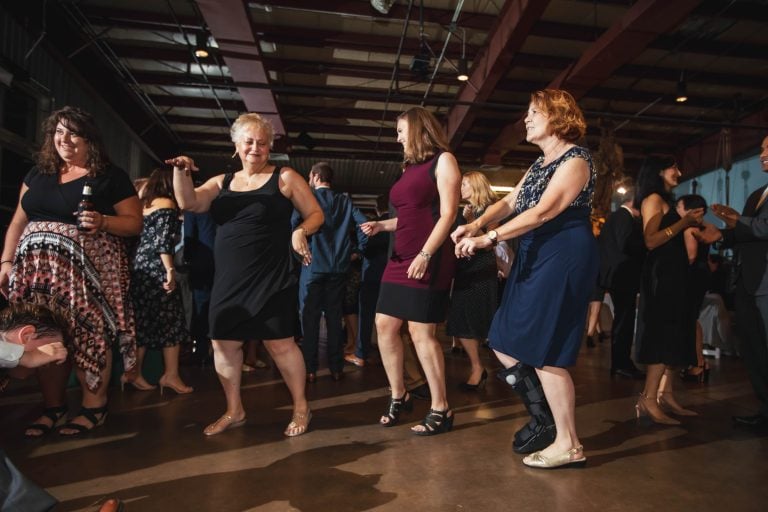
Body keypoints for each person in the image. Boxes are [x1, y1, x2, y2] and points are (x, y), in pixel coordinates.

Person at [453, 89, 596, 468]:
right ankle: (544, 416)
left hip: (561, 255)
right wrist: (476, 223)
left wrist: (490, 238)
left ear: (558, 116)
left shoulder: (576, 160)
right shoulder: (539, 163)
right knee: (501, 336)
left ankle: (569, 443)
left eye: (534, 112)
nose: (526, 119)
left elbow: (544, 212)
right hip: (533, 255)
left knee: (546, 350)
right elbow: (512, 202)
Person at [168, 112, 323, 437]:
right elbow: (189, 202)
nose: (256, 148)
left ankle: (300, 406)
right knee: (223, 344)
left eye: (263, 143)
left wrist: (301, 232)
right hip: (229, 278)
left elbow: (315, 213)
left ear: (270, 147)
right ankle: (234, 409)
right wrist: (181, 172)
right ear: (236, 145)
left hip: (272, 275)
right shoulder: (221, 183)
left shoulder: (284, 177)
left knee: (280, 344)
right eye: (249, 142)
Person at [0, 106, 141, 437]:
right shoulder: (38, 174)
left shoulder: (109, 176)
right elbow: (18, 222)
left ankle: (95, 407)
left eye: (73, 132)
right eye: (58, 132)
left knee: (88, 335)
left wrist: (104, 221)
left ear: (90, 138)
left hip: (87, 276)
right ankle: (54, 407)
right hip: (36, 276)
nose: (65, 139)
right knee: (43, 337)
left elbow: (135, 223)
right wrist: (6, 262)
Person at [360, 106, 460, 436]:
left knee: (421, 332)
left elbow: (447, 215)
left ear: (418, 130)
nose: (398, 136)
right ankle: (399, 393)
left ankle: (441, 407)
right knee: (384, 325)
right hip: (400, 258)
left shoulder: (443, 161)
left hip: (428, 257)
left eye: (401, 130)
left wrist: (426, 254)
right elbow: (410, 215)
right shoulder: (409, 167)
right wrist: (382, 225)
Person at [632, 156, 711, 425]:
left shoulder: (663, 199)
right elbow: (651, 240)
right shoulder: (652, 199)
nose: (679, 171)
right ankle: (648, 398)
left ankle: (665, 395)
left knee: (672, 334)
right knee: (660, 336)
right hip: (660, 277)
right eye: (673, 167)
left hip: (672, 276)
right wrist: (683, 223)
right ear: (658, 170)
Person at [712, 134, 768, 428]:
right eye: (761, 149)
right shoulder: (757, 194)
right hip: (747, 283)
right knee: (754, 350)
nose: (762, 154)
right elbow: (745, 232)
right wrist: (720, 235)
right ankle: (764, 410)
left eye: (767, 149)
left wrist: (738, 221)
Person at [295, 162, 367, 382]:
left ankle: (310, 369)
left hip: (312, 266)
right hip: (338, 268)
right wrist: (356, 252)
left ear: (316, 177)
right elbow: (364, 225)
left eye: (309, 176)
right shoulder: (344, 201)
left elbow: (294, 228)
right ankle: (336, 368)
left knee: (309, 319)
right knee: (335, 319)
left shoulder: (308, 199)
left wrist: (300, 254)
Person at [128, 168, 193, 394]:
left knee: (143, 322)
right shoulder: (167, 204)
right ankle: (171, 375)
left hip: (138, 266)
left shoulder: (144, 206)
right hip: (157, 267)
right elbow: (163, 242)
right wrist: (169, 270)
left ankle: (132, 372)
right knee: (171, 320)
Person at [446, 171, 498, 391]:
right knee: (461, 321)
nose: (461, 188)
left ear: (476, 185)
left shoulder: (489, 210)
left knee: (479, 322)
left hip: (481, 270)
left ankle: (482, 369)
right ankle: (478, 368)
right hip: (465, 270)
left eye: (465, 184)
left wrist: (469, 222)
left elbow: (491, 241)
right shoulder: (465, 211)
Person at [598, 187, 646, 379]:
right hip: (622, 277)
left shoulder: (619, 217)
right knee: (623, 322)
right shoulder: (623, 217)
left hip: (621, 277)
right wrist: (648, 243)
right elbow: (626, 244)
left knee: (623, 321)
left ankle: (622, 362)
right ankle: (621, 363)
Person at [346, 194, 390, 368]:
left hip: (372, 276)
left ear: (377, 208)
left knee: (366, 315)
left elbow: (364, 248)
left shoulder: (373, 226)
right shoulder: (398, 225)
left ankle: (361, 354)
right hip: (392, 277)